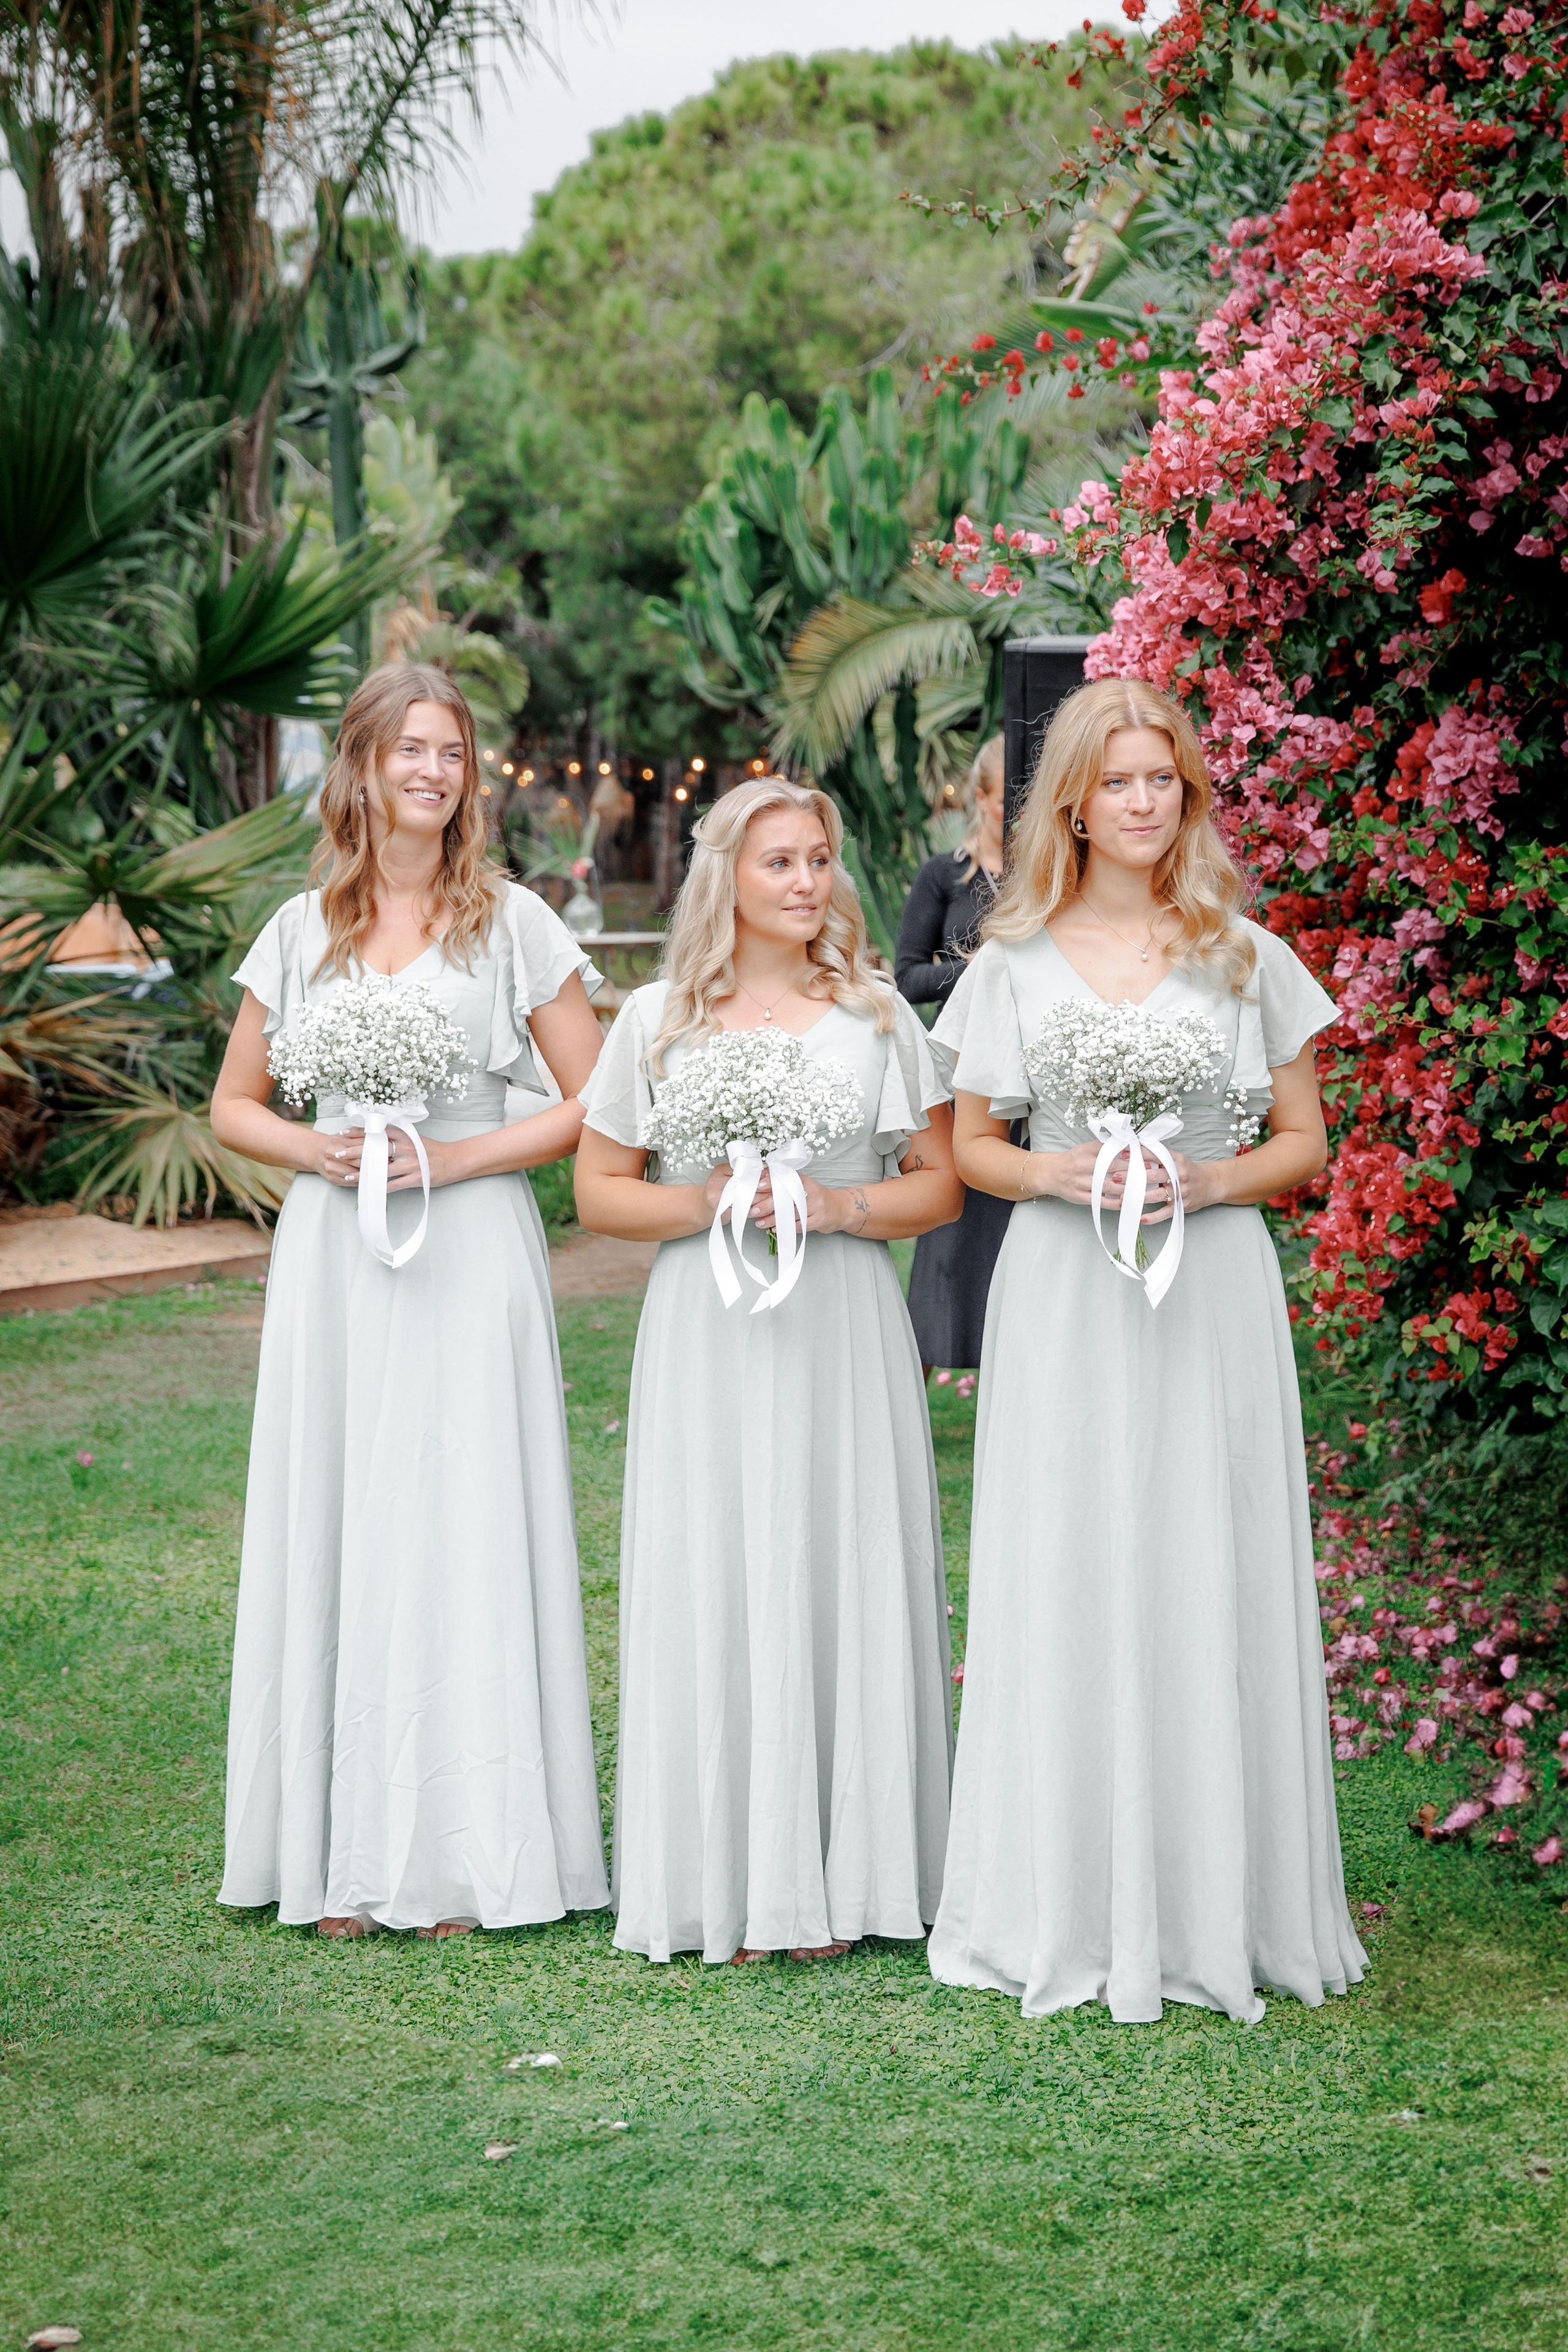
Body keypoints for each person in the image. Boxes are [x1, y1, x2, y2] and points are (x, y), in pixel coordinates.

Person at [927, 676, 1366, 2024]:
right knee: (1068, 1553)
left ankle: (1220, 1899)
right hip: (1065, 1286)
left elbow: (1303, 1142)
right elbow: (969, 1145)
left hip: (1209, 1284)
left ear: (1188, 794)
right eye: (1115, 781)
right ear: (1073, 802)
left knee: (1204, 1546)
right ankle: (1057, 1899)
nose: (1140, 802)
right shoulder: (1009, 962)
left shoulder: (1242, 953)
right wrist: (1051, 1174)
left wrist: (1211, 1182)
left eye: (1161, 780)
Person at [210, 665, 610, 1938]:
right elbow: (233, 1106)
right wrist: (316, 1150)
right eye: (412, 750)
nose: (434, 773)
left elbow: (595, 1102)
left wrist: (456, 1158)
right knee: (345, 1508)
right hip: (336, 1254)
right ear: (363, 767)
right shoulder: (300, 929)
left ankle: (470, 1852)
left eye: (453, 754)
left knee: (463, 1513)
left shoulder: (514, 924)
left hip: (470, 1243)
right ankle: (338, 1849)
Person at [573, 777, 963, 1967]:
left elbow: (941, 1185)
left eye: (818, 860)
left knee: (840, 1555)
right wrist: (704, 1202)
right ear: (726, 877)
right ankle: (727, 1876)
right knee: (719, 1561)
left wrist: (838, 1206)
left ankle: (854, 1873)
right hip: (708, 1323)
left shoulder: (877, 1016)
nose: (806, 883)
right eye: (779, 862)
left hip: (841, 1320)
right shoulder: (656, 1019)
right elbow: (599, 1194)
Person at [895, 734, 1012, 1373]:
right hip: (960, 1064)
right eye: (1007, 799)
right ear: (981, 798)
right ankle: (924, 1361)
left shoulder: (1050, 876)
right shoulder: (944, 874)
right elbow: (907, 976)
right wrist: (979, 972)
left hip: (1029, 1066)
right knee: (952, 1225)